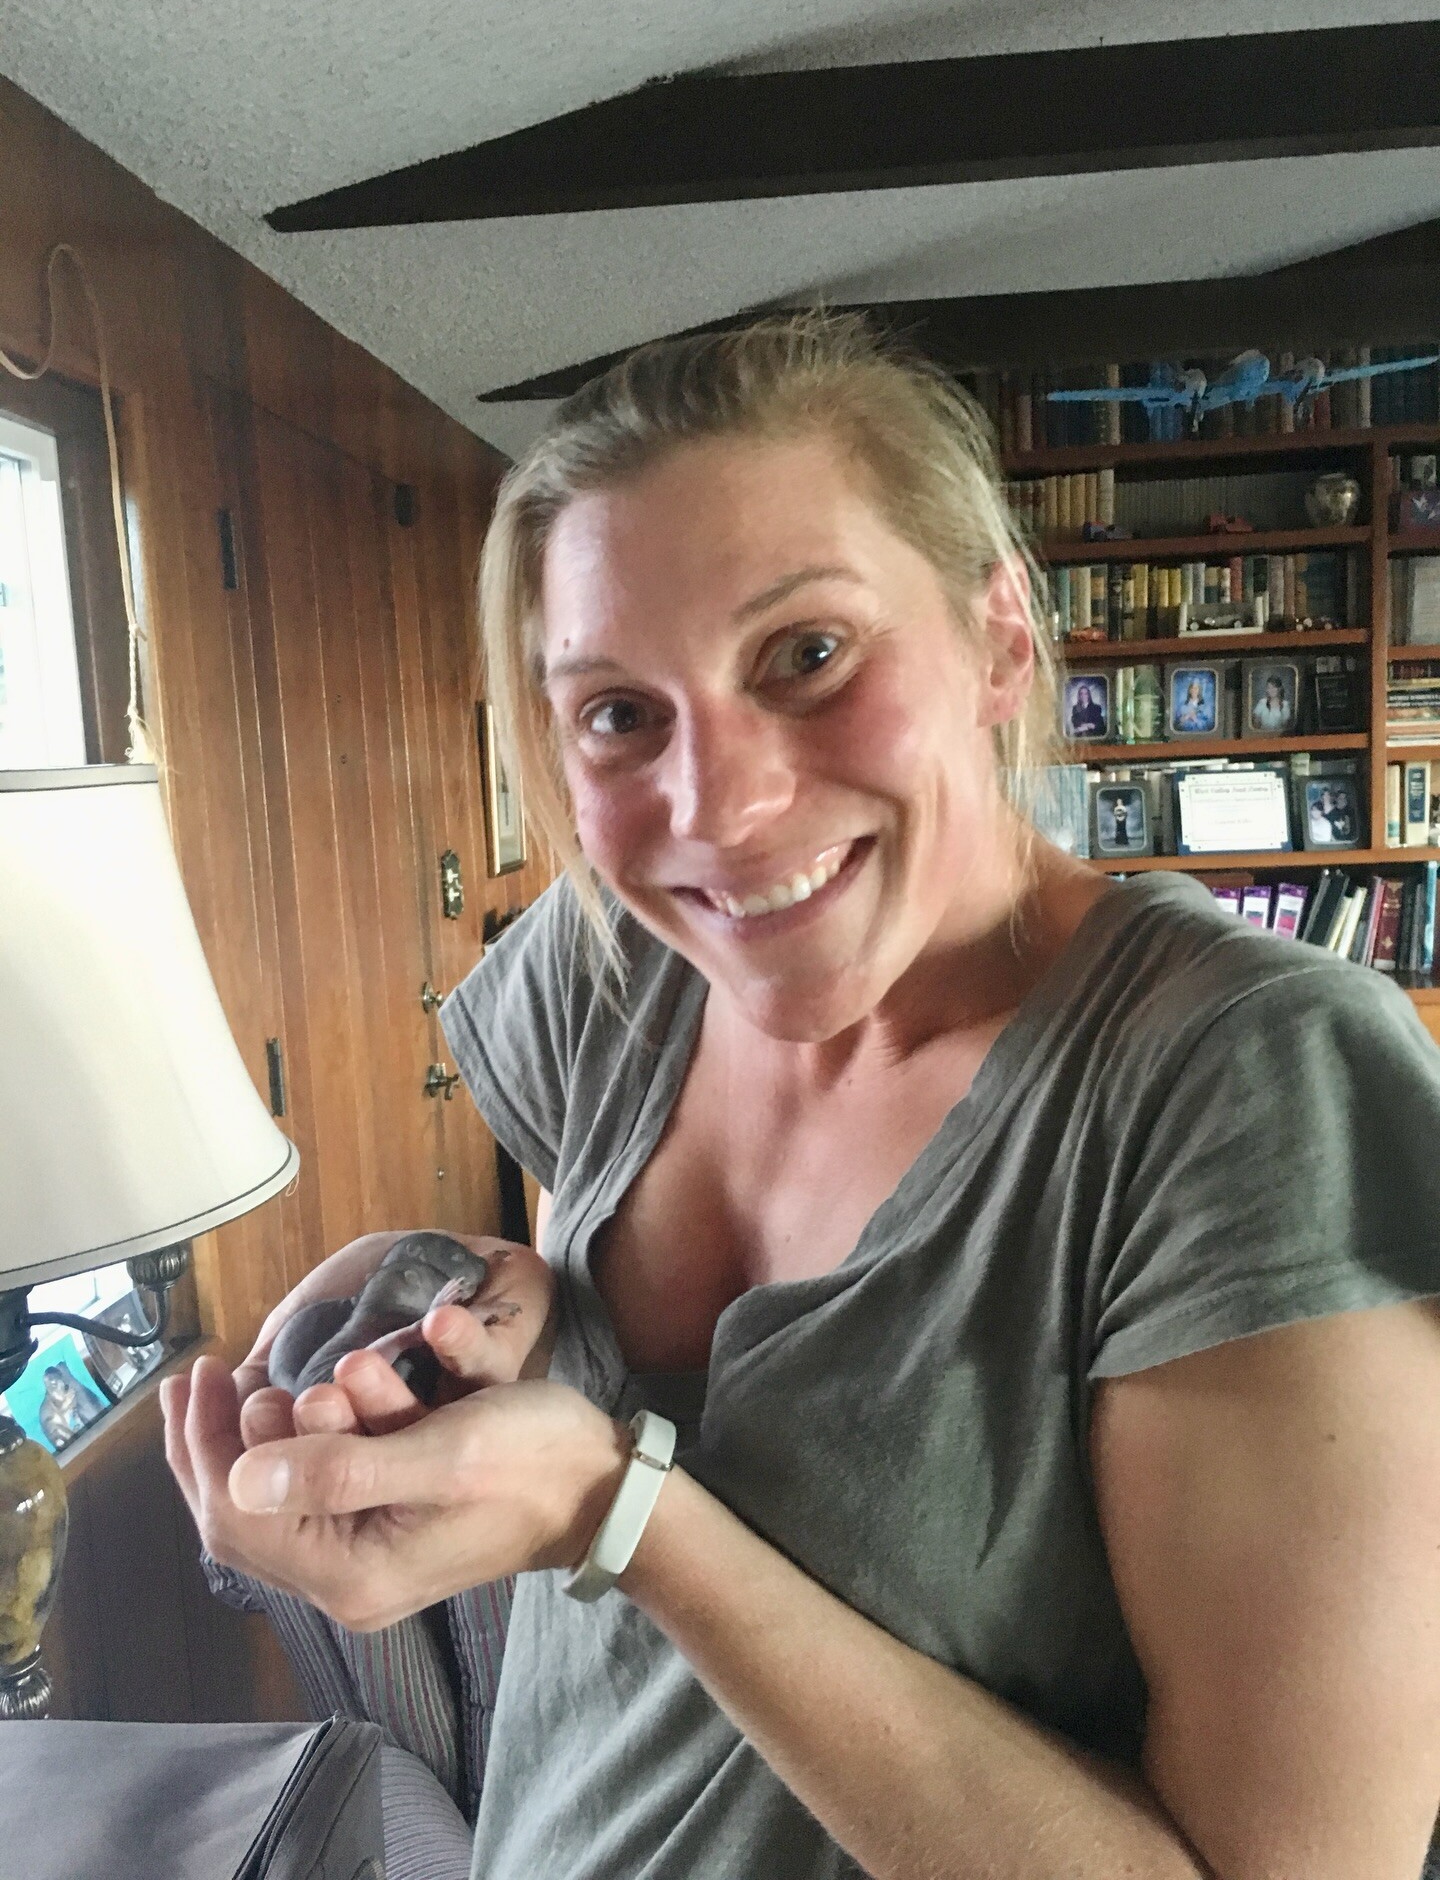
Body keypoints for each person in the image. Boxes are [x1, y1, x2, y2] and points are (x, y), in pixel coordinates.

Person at [164, 314, 1440, 1880]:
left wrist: (625, 1519)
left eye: (807, 654)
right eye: (620, 713)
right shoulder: (610, 966)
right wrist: (466, 1324)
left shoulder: (1246, 1081)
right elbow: (587, 1343)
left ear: (1000, 638)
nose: (721, 809)